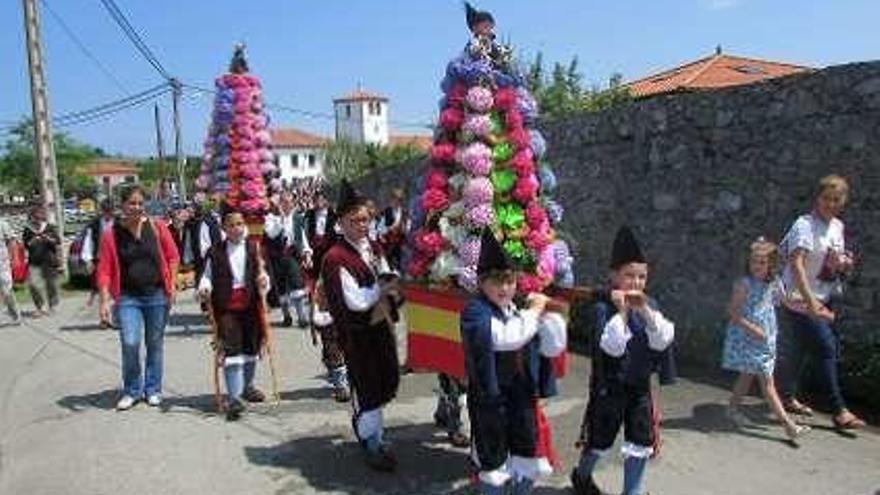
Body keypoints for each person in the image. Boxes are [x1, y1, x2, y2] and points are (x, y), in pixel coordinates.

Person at [461, 228, 567, 495]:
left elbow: (553, 347)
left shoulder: (519, 311)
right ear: (482, 283)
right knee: (493, 461)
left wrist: (550, 318)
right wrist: (535, 311)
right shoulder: (475, 311)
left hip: (521, 395)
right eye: (496, 282)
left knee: (526, 454)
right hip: (491, 400)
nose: (504, 288)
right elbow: (507, 338)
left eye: (509, 281)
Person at [571, 226, 675, 495]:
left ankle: (633, 492)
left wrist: (647, 314)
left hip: (639, 387)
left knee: (639, 442)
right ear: (614, 276)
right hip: (610, 387)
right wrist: (622, 311)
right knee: (599, 441)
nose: (636, 282)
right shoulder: (603, 308)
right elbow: (612, 348)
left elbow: (661, 341)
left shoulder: (650, 304)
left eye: (642, 277)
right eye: (629, 276)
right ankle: (581, 475)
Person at [321, 180, 403, 472]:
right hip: (357, 335)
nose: (361, 225)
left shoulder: (372, 245)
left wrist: (391, 279)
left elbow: (385, 269)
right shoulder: (335, 258)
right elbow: (355, 301)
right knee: (368, 388)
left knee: (385, 381)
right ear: (341, 223)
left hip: (379, 326)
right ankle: (372, 442)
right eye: (353, 220)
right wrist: (382, 288)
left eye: (365, 219)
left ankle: (371, 431)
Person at [776, 174, 865, 430]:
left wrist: (844, 264)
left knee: (801, 349)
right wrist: (811, 304)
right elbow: (797, 265)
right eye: (827, 198)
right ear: (817, 198)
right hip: (797, 298)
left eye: (837, 199)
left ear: (843, 202)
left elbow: (833, 265)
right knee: (826, 347)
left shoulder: (837, 226)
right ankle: (839, 411)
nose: (831, 204)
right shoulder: (804, 225)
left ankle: (786, 396)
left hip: (823, 297)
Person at [96, 185, 179, 411]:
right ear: (122, 205)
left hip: (157, 295)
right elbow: (103, 270)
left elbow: (173, 257)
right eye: (132, 203)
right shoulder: (111, 234)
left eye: (140, 203)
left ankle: (152, 389)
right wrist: (104, 301)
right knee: (130, 342)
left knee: (154, 343)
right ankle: (132, 390)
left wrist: (171, 286)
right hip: (127, 298)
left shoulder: (157, 226)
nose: (137, 207)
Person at [721, 237, 810, 441]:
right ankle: (789, 425)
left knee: (747, 375)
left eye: (762, 262)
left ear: (771, 263)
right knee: (767, 384)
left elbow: (786, 302)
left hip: (766, 338)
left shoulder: (774, 282)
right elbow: (733, 312)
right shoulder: (744, 284)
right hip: (749, 337)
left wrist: (808, 304)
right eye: (753, 261)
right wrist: (753, 329)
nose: (756, 266)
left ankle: (732, 410)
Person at [198, 210, 271, 421]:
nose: (237, 228)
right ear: (224, 228)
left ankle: (247, 386)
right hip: (227, 307)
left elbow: (262, 273)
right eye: (232, 225)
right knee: (231, 349)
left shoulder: (253, 248)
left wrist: (264, 281)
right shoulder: (215, 252)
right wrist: (205, 288)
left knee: (251, 346)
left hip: (250, 305)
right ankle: (234, 397)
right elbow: (207, 277)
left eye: (240, 224)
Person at [264, 190, 312, 327]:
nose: (287, 205)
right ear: (280, 204)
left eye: (290, 202)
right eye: (284, 202)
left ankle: (302, 317)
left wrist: (307, 253)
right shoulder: (271, 219)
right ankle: (286, 316)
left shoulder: (297, 218)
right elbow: (272, 234)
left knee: (297, 284)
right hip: (277, 257)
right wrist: (281, 218)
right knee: (281, 288)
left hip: (291, 256)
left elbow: (301, 238)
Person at [310, 278, 350, 402]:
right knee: (333, 353)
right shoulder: (321, 285)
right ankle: (341, 385)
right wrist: (313, 332)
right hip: (327, 324)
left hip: (345, 322)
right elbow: (314, 306)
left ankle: (344, 379)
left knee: (346, 352)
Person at [22, 205, 62, 317]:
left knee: (51, 284)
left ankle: (52, 305)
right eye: (35, 216)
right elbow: (25, 244)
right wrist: (33, 240)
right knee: (33, 284)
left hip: (49, 260)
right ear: (32, 217)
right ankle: (40, 307)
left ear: (43, 216)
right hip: (34, 261)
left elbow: (57, 241)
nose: (37, 219)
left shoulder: (49, 227)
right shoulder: (28, 229)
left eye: (40, 216)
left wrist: (48, 239)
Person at [81, 199, 114, 326]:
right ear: (102, 211)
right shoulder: (94, 224)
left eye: (110, 211)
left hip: (116, 260)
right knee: (102, 290)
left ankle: (113, 316)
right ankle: (104, 318)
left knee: (115, 290)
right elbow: (88, 242)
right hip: (100, 260)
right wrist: (88, 260)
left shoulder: (119, 223)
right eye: (105, 211)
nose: (108, 214)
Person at [379, 188, 408, 271]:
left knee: (401, 266)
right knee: (389, 266)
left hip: (401, 243)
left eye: (401, 199)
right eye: (397, 199)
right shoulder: (385, 212)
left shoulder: (405, 212)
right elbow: (380, 229)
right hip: (389, 244)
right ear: (392, 199)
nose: (399, 202)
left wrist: (404, 229)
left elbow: (408, 227)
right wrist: (390, 228)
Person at [0, 216, 21, 324]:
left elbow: (12, 241)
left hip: (2, 264)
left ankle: (15, 314)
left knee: (6, 290)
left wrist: (15, 258)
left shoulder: (2, 223)